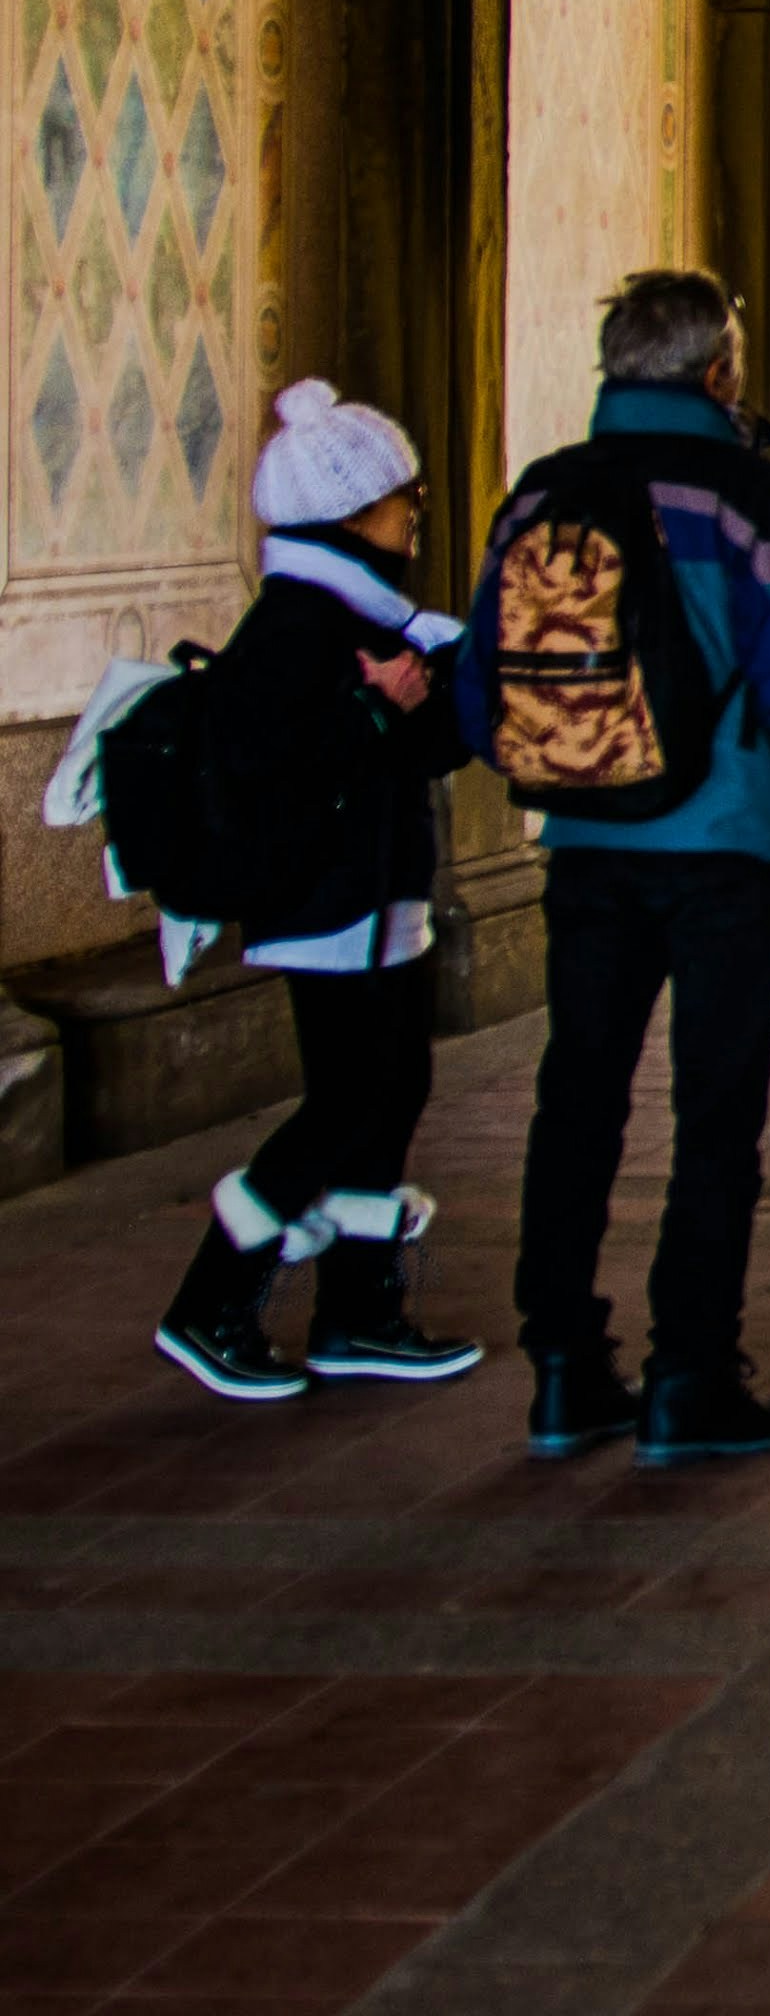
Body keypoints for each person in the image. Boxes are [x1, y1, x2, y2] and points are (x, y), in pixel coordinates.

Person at [477, 270, 770, 1471]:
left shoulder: (540, 494)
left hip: (586, 847)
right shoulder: (748, 499)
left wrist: (567, 780)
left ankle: (562, 1369)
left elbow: (481, 682)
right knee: (715, 1115)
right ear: (718, 371)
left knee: (575, 1102)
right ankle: (688, 1376)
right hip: (722, 850)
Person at [150, 385, 487, 1402]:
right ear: (349, 510)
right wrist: (376, 713)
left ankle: (357, 1316)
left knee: (392, 1090)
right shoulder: (295, 624)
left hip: (376, 898)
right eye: (401, 494)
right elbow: (271, 768)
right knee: (349, 1098)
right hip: (325, 906)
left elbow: (420, 751)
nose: (416, 508)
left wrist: (426, 699)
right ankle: (211, 1302)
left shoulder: (363, 614)